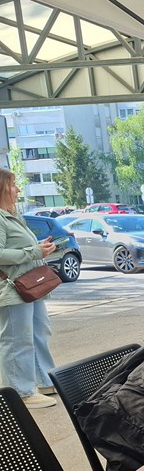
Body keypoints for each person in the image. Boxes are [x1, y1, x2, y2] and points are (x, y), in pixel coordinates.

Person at [0, 169, 58, 409]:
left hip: (30, 285)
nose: (17, 190)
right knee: (17, 340)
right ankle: (21, 393)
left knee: (38, 332)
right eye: (13, 185)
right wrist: (34, 252)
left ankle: (46, 380)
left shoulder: (12, 216)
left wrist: (40, 248)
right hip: (12, 288)